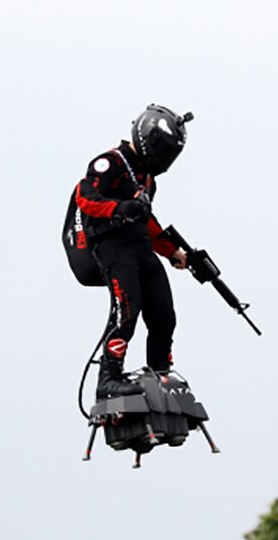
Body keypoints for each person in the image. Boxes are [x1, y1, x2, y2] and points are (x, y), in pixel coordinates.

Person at [68, 104, 192, 399]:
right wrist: (120, 208)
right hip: (113, 246)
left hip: (140, 247)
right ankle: (108, 378)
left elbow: (147, 222)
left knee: (163, 312)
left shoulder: (148, 179)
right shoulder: (110, 162)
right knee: (127, 310)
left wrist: (174, 252)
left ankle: (160, 373)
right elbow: (84, 198)